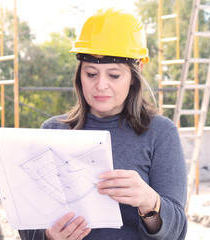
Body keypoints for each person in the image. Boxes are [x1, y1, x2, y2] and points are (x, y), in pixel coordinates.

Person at [19, 7, 187, 240]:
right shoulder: (53, 131)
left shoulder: (160, 133)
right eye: (91, 74)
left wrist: (150, 201)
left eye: (114, 75)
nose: (100, 85)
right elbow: (28, 226)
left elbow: (176, 233)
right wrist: (48, 235)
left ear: (135, 72)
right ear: (79, 74)